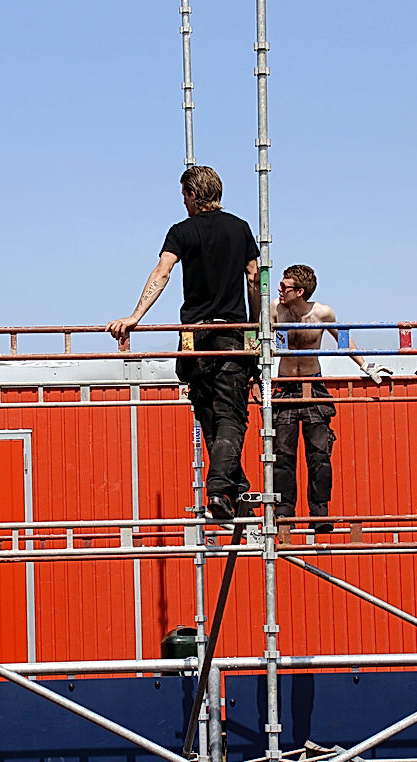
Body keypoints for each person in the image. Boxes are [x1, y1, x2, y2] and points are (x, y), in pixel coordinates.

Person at [107, 166, 259, 520]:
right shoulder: (240, 229)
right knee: (231, 416)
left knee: (208, 413)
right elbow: (254, 277)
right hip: (231, 335)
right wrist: (254, 326)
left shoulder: (181, 232)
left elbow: (162, 273)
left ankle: (232, 489)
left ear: (192, 194)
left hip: (193, 338)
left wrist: (134, 316)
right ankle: (223, 488)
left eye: (184, 196)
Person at [271, 264, 391, 531]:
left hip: (313, 385)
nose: (279, 290)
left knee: (319, 453)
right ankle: (284, 513)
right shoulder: (274, 310)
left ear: (300, 291)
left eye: (284, 286)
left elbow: (343, 340)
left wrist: (366, 366)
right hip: (285, 385)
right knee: (282, 453)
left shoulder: (322, 313)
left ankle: (319, 512)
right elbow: (258, 340)